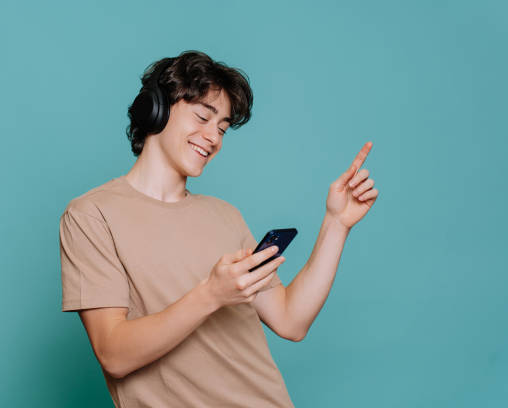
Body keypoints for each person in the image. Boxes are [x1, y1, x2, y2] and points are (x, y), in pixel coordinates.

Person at [59, 50, 379, 407]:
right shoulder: (91, 215)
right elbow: (114, 354)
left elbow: (292, 321)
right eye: (202, 117)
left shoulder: (224, 215)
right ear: (157, 109)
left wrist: (336, 224)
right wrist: (211, 294)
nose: (212, 137)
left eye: (222, 128)